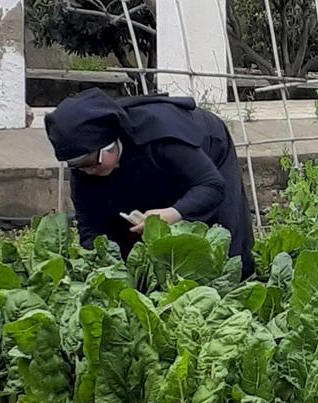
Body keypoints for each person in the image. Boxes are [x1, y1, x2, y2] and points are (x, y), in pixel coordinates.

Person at [44, 85, 253, 274]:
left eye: (94, 162)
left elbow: (211, 187)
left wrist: (174, 213)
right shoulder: (85, 170)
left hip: (206, 148)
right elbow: (90, 228)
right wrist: (103, 267)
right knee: (131, 239)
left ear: (111, 143)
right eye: (78, 167)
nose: (88, 171)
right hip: (148, 170)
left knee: (226, 244)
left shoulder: (160, 137)